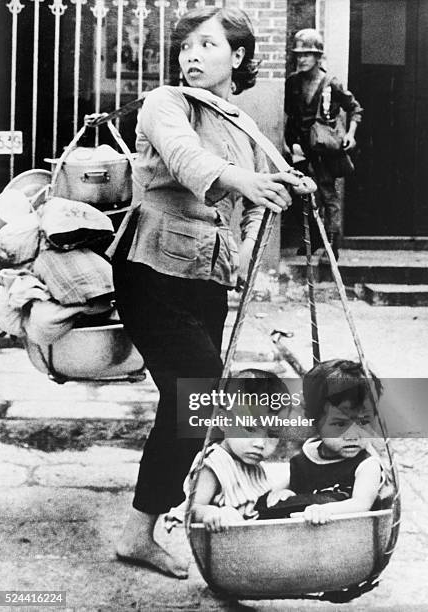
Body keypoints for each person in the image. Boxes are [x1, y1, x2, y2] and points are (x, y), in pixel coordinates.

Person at [108, 7, 313, 578]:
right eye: (186, 46)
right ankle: (161, 523)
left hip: (207, 281)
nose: (190, 56)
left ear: (239, 58)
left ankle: (167, 521)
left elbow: (249, 207)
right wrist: (243, 180)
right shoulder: (165, 104)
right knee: (194, 399)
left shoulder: (243, 125)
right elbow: (186, 159)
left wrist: (252, 238)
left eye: (206, 45)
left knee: (189, 406)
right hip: (151, 270)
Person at [255, 359, 385, 524]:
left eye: (364, 421)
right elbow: (283, 489)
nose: (353, 435)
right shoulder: (306, 457)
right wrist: (280, 495)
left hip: (350, 535)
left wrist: (324, 509)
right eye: (339, 424)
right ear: (315, 422)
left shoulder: (366, 465)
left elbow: (361, 503)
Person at [166, 369, 295, 533]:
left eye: (272, 434)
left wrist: (279, 496)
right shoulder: (214, 465)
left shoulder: (252, 464)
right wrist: (211, 513)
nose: (260, 443)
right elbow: (190, 508)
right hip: (224, 546)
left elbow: (257, 505)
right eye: (249, 429)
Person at [284, 29, 363, 260]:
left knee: (328, 195)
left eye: (307, 55)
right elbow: (288, 114)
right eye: (298, 55)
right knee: (298, 194)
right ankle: (314, 238)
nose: (302, 59)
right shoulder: (292, 82)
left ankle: (331, 244)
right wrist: (288, 144)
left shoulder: (331, 83)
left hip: (324, 149)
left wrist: (350, 134)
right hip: (299, 149)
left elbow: (355, 108)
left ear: (318, 57)